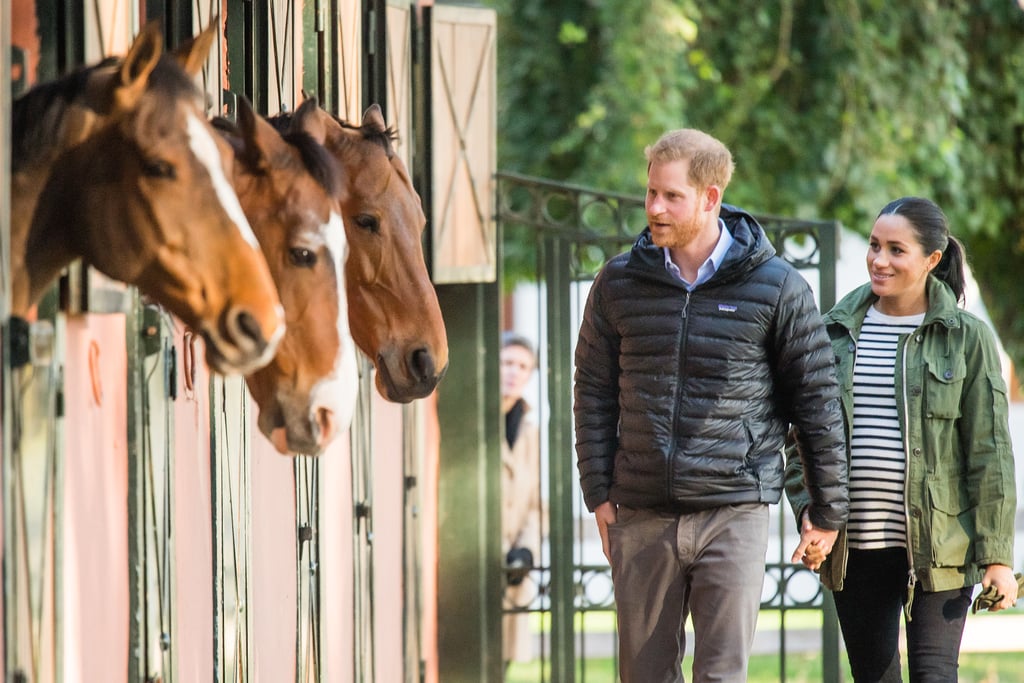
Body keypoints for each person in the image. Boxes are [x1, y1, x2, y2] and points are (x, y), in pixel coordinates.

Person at [573, 127, 849, 683]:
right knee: (644, 676)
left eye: (671, 196)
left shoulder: (776, 288)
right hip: (643, 511)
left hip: (734, 509)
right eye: (651, 192)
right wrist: (598, 491)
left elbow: (816, 400)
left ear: (710, 197)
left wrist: (828, 508)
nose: (654, 207)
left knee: (722, 675)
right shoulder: (618, 282)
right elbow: (593, 390)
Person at [786, 196, 1018, 682]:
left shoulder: (966, 338)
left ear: (932, 259)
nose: (879, 259)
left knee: (935, 676)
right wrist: (810, 511)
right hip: (855, 547)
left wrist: (997, 557)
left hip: (941, 549)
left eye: (896, 249)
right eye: (874, 246)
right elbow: (798, 436)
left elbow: (989, 451)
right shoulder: (832, 332)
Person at [499, 332, 542, 669]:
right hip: (473, 570)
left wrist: (526, 551)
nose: (515, 372)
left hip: (514, 571)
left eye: (523, 366)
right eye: (508, 363)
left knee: (503, 667)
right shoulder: (472, 422)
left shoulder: (531, 431)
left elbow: (537, 506)